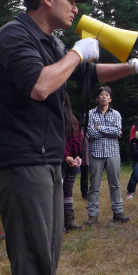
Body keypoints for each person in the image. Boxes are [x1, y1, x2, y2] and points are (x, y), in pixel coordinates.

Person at [0, 0, 138, 275]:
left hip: (46, 159)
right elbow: (40, 85)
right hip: (20, 161)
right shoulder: (13, 35)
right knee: (32, 260)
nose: (75, 8)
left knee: (47, 254)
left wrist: (134, 66)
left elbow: (87, 72)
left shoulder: (51, 42)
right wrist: (76, 53)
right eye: (70, 0)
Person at [85, 86, 128, 225]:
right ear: (97, 98)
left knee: (115, 184)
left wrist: (100, 128)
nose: (104, 97)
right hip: (95, 153)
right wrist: (109, 132)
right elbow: (90, 133)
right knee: (94, 186)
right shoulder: (90, 114)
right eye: (101, 94)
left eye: (107, 95)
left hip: (113, 153)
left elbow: (118, 131)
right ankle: (92, 215)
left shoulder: (116, 114)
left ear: (110, 98)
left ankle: (118, 213)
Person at [62, 93, 83, 231]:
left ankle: (69, 219)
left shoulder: (72, 119)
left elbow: (76, 139)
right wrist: (65, 156)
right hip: (56, 160)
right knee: (56, 191)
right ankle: (58, 221)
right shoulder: (50, 118)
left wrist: (77, 156)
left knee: (68, 190)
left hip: (71, 161)